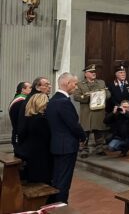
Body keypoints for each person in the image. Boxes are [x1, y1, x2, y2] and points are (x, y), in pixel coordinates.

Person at [47, 72, 86, 204]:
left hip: (57, 145)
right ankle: (61, 207)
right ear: (67, 83)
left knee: (57, 178)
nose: (76, 86)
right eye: (74, 84)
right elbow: (73, 125)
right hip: (67, 146)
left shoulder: (52, 100)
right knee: (64, 180)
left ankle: (54, 205)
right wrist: (83, 136)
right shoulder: (63, 102)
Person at [72, 64, 110, 158]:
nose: (94, 73)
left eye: (94, 72)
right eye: (91, 72)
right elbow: (76, 97)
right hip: (87, 111)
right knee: (85, 131)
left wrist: (99, 96)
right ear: (86, 74)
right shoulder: (80, 84)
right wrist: (90, 97)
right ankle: (84, 149)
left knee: (99, 130)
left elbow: (108, 94)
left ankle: (100, 148)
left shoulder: (101, 82)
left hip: (99, 111)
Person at [18, 93, 53, 184]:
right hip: (41, 156)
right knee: (42, 182)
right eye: (46, 103)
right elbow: (48, 138)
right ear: (41, 104)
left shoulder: (29, 118)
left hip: (31, 153)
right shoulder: (41, 120)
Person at [9, 81, 31, 153]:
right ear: (23, 89)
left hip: (17, 133)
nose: (32, 89)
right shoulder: (20, 101)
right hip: (20, 135)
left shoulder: (17, 99)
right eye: (30, 88)